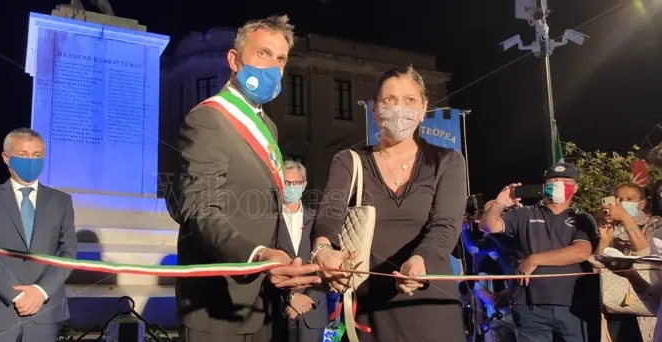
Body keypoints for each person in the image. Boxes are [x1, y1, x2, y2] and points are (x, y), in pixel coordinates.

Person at [166, 15, 322, 342]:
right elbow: (200, 211)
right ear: (235, 61)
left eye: (280, 59)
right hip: (217, 305)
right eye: (263, 54)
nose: (273, 68)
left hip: (263, 301)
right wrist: (256, 255)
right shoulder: (208, 118)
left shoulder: (269, 128)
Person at [310, 66, 468, 342]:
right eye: (388, 100)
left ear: (423, 109)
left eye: (409, 100)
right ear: (374, 109)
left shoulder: (448, 161)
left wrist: (421, 260)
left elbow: (446, 225)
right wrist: (323, 249)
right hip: (370, 311)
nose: (399, 109)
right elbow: (329, 214)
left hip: (430, 306)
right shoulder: (349, 161)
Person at [0, 128, 77, 342]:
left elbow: (68, 252)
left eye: (37, 156)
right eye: (23, 155)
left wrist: (40, 291)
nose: (31, 161)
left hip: (44, 313)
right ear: (6, 158)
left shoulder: (61, 201)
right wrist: (17, 295)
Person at [479, 163, 600, 342]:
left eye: (565, 181)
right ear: (545, 185)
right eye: (553, 180)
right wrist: (499, 204)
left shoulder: (581, 219)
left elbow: (581, 252)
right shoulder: (523, 214)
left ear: (575, 188)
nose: (558, 184)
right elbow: (487, 226)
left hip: (575, 306)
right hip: (529, 306)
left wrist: (534, 259)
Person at [596, 182, 662, 341]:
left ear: (642, 204)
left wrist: (626, 219)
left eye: (629, 199)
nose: (623, 203)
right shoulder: (610, 226)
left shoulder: (655, 225)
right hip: (616, 304)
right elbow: (597, 264)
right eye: (619, 199)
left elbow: (646, 256)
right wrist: (604, 239)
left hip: (645, 307)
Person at [272, 161, 328, 342]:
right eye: (287, 183)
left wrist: (304, 299)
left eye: (296, 183)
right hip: (277, 312)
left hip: (312, 310)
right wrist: (289, 297)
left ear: (304, 186)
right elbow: (261, 266)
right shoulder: (268, 220)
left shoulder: (317, 219)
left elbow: (324, 264)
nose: (291, 187)